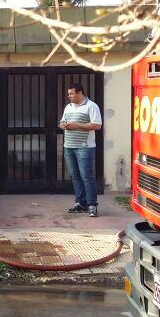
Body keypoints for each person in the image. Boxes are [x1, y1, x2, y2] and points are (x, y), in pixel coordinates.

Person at [59, 83, 103, 217]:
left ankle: (92, 205)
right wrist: (64, 126)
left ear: (80, 93)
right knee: (74, 176)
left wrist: (76, 125)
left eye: (71, 94)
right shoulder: (68, 107)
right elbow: (61, 123)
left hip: (84, 147)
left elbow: (97, 125)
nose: (69, 96)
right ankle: (80, 203)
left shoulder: (91, 106)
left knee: (86, 176)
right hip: (69, 146)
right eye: (69, 94)